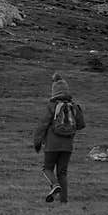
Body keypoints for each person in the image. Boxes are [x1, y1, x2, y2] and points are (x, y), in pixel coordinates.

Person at [32, 72, 85, 203]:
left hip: (52, 144)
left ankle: (55, 186)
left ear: (54, 91)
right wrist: (68, 129)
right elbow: (81, 125)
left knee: (47, 168)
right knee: (62, 173)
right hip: (68, 146)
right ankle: (64, 201)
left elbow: (42, 125)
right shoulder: (74, 106)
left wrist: (37, 142)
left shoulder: (52, 106)